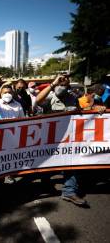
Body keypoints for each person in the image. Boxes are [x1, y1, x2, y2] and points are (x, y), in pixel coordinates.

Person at [36, 74, 88, 207]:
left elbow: (81, 113)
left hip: (69, 137)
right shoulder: (50, 96)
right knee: (47, 164)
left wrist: (96, 110)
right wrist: (53, 84)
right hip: (49, 137)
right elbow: (38, 99)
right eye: (60, 84)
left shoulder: (73, 98)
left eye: (65, 85)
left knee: (72, 162)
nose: (62, 87)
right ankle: (44, 184)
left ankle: (69, 191)